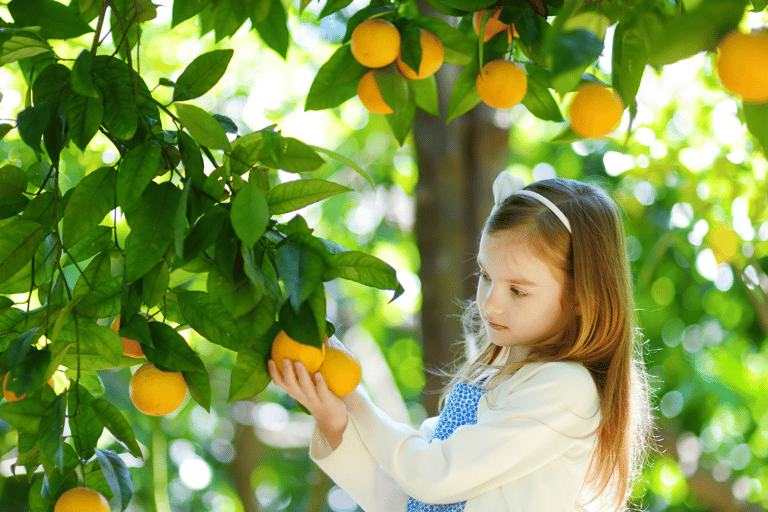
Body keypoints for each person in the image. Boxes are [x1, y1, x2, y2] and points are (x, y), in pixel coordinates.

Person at [267, 171, 656, 512]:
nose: (490, 303)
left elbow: (432, 475)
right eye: (486, 275)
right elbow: (411, 503)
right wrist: (336, 422)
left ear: (579, 297)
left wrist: (353, 397)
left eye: (518, 291)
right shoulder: (490, 379)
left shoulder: (564, 389)